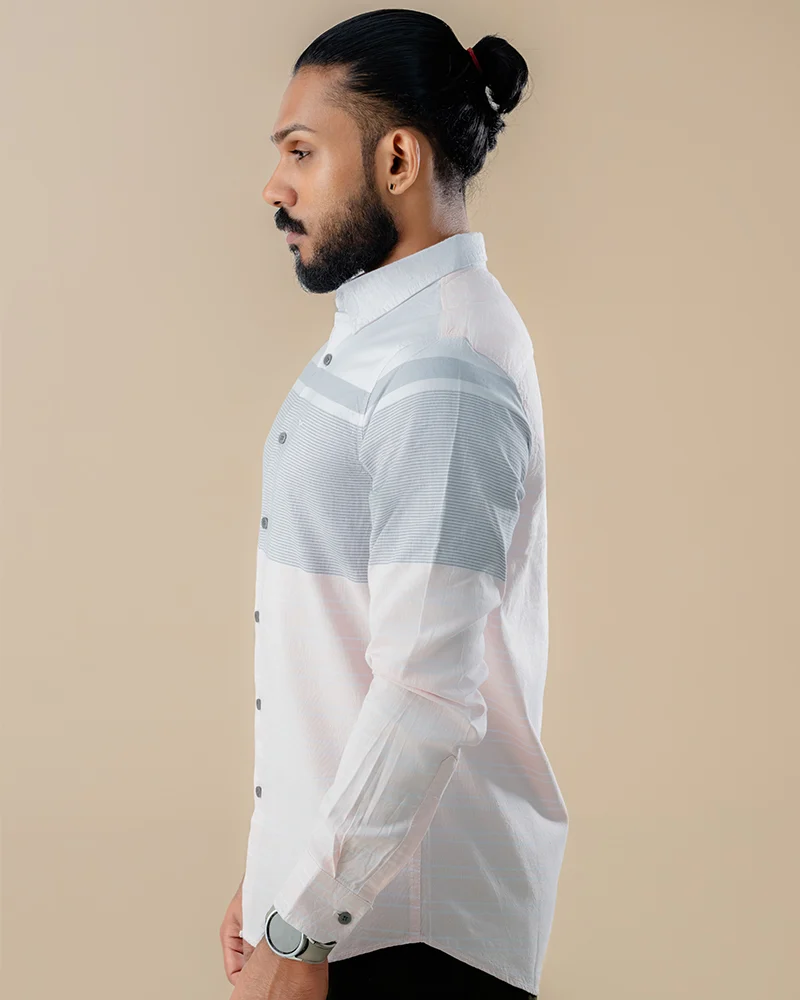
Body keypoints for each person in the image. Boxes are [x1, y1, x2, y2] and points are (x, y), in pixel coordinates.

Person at [219, 9, 569, 999]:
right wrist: (275, 868)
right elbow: (341, 645)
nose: (274, 186)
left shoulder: (439, 370)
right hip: (347, 910)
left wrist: (302, 928)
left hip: (397, 937)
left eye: (301, 151)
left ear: (398, 159)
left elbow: (425, 693)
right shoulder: (391, 334)